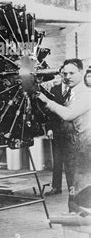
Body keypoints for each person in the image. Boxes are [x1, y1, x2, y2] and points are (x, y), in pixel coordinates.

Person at [38, 58, 91, 212]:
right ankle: (75, 214)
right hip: (74, 145)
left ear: (81, 72)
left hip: (86, 145)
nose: (68, 76)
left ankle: (81, 217)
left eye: (72, 73)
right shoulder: (71, 93)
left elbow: (68, 115)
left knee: (83, 184)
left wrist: (46, 100)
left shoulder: (87, 94)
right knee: (73, 183)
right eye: (65, 73)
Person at [45, 67, 74, 196]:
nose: (65, 76)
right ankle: (56, 187)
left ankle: (73, 188)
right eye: (63, 74)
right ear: (60, 75)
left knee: (71, 161)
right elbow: (49, 112)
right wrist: (49, 128)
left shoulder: (75, 90)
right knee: (57, 161)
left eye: (68, 73)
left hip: (71, 131)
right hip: (56, 130)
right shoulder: (54, 90)